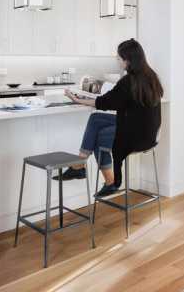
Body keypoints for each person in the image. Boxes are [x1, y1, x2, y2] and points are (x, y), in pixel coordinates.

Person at [58, 39, 163, 197]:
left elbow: (104, 101)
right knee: (96, 119)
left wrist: (77, 99)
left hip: (135, 137)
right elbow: (111, 102)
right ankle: (80, 165)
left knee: (98, 137)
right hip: (148, 133)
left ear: (127, 60)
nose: (117, 61)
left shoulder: (129, 81)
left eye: (119, 58)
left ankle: (108, 181)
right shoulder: (151, 76)